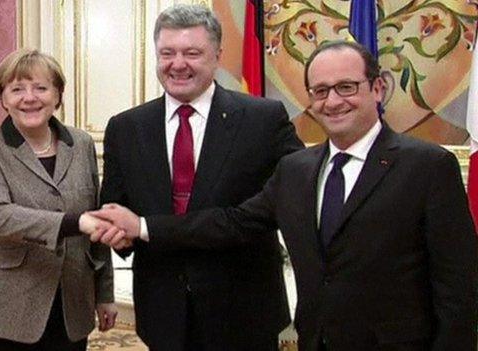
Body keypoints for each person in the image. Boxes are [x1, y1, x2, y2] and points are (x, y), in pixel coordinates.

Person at [90, 41, 478, 351]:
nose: (333, 100)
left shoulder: (428, 166)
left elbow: (459, 288)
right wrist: (141, 226)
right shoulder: (298, 170)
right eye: (321, 91)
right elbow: (232, 223)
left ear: (377, 88)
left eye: (347, 87)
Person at [89, 4, 303, 351]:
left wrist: (142, 227)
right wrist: (116, 232)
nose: (178, 64)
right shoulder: (126, 128)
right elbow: (115, 206)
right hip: (162, 311)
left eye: (192, 53)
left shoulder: (263, 119)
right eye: (167, 53)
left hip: (244, 311)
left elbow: (283, 203)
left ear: (217, 56)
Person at [0, 48, 117, 351]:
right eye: (17, 89)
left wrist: (105, 293)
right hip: (1, 308)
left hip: (71, 305)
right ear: (3, 98)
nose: (29, 97)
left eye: (41, 87)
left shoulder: (80, 143)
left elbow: (98, 221)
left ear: (58, 95)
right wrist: (76, 222)